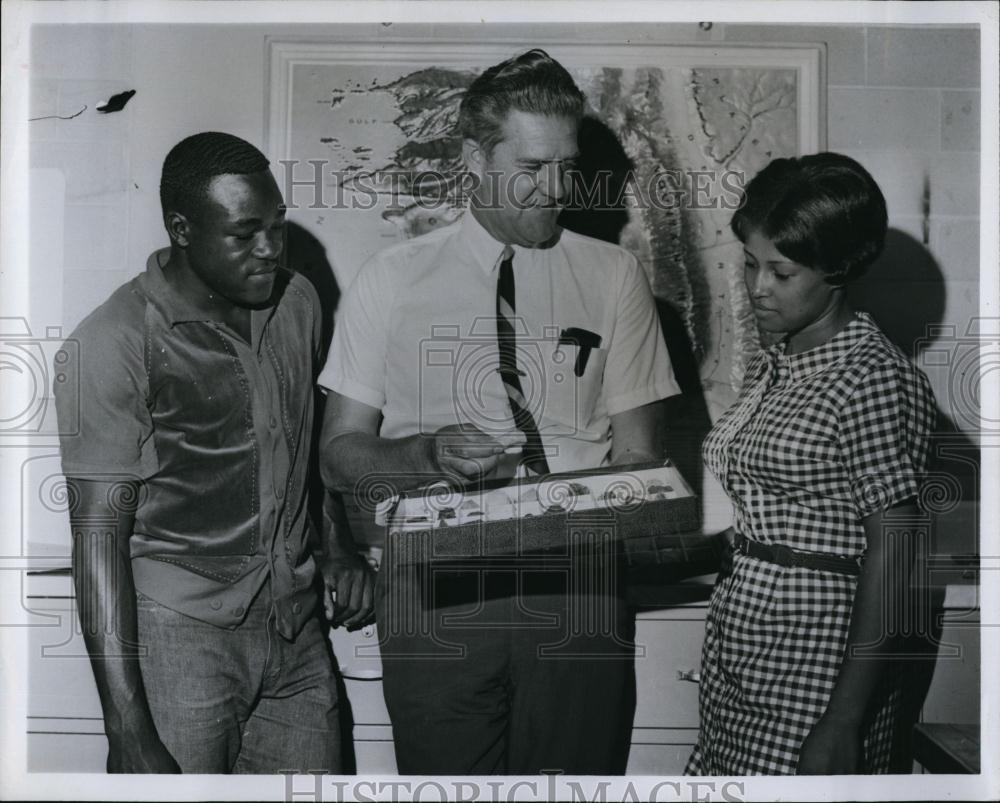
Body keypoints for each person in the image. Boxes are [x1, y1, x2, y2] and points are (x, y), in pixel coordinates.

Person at [317, 49, 681, 774]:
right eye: (532, 167)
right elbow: (338, 452)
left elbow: (640, 460)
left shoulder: (614, 276)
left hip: (578, 588)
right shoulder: (389, 280)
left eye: (566, 166)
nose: (557, 189)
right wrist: (424, 455)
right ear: (474, 160)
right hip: (435, 592)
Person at [54, 132, 364, 773]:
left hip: (298, 631)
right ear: (182, 229)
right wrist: (129, 729)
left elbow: (305, 444)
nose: (270, 249)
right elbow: (97, 543)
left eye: (277, 226)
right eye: (244, 233)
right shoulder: (111, 342)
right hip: (178, 642)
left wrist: (338, 545)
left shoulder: (298, 300)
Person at [685, 152, 937, 775]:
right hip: (743, 652)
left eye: (782, 271)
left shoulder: (871, 377)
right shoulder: (780, 363)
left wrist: (844, 722)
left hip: (820, 662)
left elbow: (896, 549)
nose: (756, 287)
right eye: (750, 264)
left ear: (839, 269)